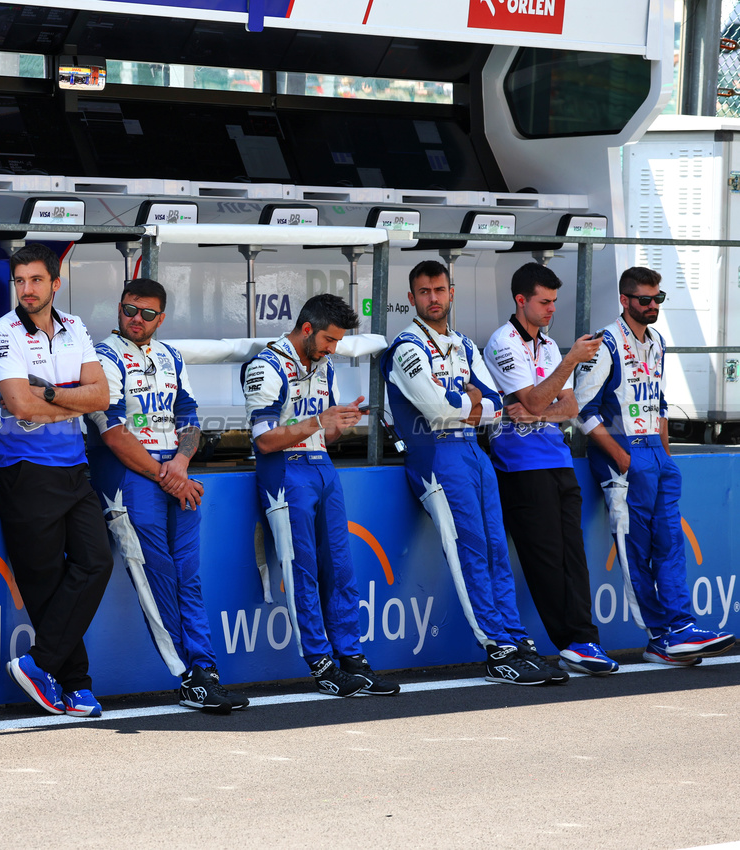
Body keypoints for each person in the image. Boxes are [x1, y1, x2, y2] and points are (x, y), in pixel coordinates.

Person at [383, 260, 564, 686]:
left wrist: (472, 404)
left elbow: (498, 408)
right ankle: (496, 648)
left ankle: (515, 638)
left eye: (440, 290)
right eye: (424, 291)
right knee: (471, 553)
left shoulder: (464, 344)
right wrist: (471, 401)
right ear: (411, 299)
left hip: (474, 455)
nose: (433, 298)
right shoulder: (407, 347)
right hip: (434, 459)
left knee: (497, 550)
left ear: (451, 293)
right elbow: (440, 409)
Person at [85, 278, 249, 713]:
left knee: (188, 577)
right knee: (157, 577)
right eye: (128, 309)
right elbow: (113, 433)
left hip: (173, 471)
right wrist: (165, 473)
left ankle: (206, 671)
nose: (135, 319)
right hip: (131, 479)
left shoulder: (171, 356)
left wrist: (181, 463)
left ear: (161, 317)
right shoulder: (101, 357)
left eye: (147, 313)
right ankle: (186, 677)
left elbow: (190, 417)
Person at [573, 266, 735, 665]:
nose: (652, 306)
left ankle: (680, 626)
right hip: (624, 459)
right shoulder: (604, 342)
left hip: (657, 456)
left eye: (657, 299)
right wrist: (624, 458)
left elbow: (659, 401)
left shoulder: (658, 340)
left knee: (670, 544)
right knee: (636, 551)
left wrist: (665, 454)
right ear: (625, 300)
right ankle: (659, 636)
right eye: (644, 299)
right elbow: (582, 410)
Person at [242, 294, 400, 697]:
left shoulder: (323, 363)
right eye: (329, 340)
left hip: (323, 466)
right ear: (307, 329)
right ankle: (321, 661)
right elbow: (263, 441)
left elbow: (325, 431)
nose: (333, 349)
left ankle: (352, 656)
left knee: (341, 569)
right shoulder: (267, 365)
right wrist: (319, 420)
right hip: (285, 472)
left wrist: (340, 422)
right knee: (304, 572)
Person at [0, 243, 113, 718]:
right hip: (25, 470)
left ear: (55, 283)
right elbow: (20, 404)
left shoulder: (75, 327)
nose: (27, 289)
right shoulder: (3, 331)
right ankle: (76, 683)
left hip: (74, 465)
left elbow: (101, 396)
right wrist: (75, 397)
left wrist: (55, 392)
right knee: (45, 583)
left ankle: (40, 664)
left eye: (36, 280)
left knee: (97, 562)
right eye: (20, 281)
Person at [482, 263, 616, 676]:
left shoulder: (553, 346)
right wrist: (559, 381)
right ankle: (569, 641)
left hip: (558, 460)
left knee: (573, 557)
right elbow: (541, 402)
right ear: (521, 300)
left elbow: (569, 407)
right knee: (545, 559)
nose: (551, 308)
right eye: (544, 301)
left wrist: (542, 408)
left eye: (555, 301)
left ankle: (584, 639)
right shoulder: (503, 343)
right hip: (519, 466)